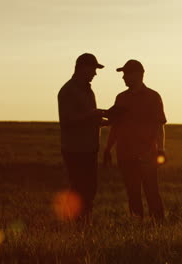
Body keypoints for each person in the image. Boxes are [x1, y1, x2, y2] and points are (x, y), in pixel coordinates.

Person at [103, 59, 166, 221]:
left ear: (138, 75)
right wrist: (108, 149)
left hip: (147, 155)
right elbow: (115, 127)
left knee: (152, 192)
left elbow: (159, 126)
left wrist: (161, 150)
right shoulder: (121, 98)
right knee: (133, 193)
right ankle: (137, 225)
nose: (123, 78)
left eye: (126, 74)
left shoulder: (153, 97)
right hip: (125, 155)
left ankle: (158, 225)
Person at [57, 53, 106, 221]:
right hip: (75, 149)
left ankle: (79, 221)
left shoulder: (86, 89)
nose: (95, 73)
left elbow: (86, 118)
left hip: (89, 148)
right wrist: (92, 115)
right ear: (82, 68)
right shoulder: (68, 91)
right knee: (81, 188)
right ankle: (76, 222)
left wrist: (103, 120)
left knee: (89, 188)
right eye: (93, 69)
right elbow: (67, 121)